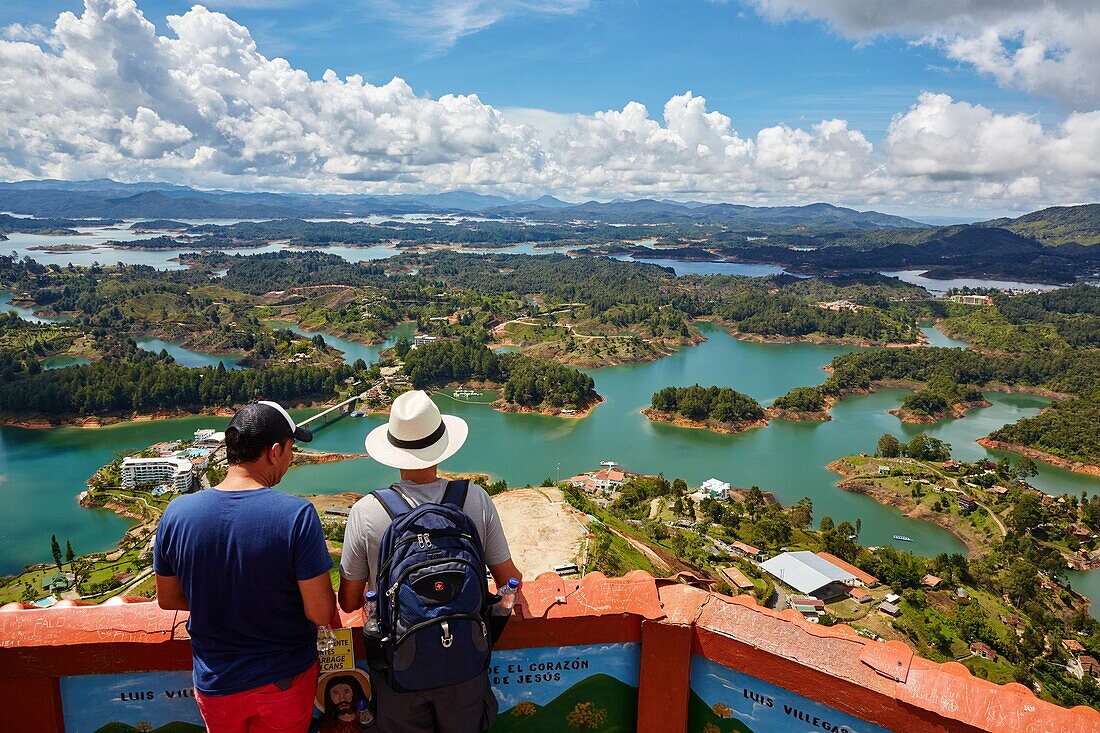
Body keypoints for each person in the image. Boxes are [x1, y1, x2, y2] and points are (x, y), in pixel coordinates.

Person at [339, 390, 521, 733]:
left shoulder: (366, 512)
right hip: (465, 666)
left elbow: (348, 602)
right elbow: (509, 578)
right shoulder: (475, 499)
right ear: (442, 445)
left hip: (400, 672)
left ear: (393, 451)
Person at [155, 400, 336, 733]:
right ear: (274, 451)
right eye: (292, 449)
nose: (292, 458)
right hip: (283, 678)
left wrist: (224, 599)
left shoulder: (176, 514)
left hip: (216, 682)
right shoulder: (296, 516)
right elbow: (321, 612)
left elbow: (168, 598)